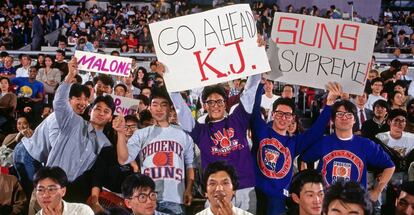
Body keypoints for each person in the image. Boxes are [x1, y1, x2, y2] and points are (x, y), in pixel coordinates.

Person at [13, 57, 113, 202]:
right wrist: (69, 77)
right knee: (34, 197)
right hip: (29, 154)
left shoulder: (101, 139)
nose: (82, 102)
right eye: (78, 98)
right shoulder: (67, 119)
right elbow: (56, 146)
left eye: (85, 99)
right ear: (69, 100)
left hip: (52, 173)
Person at [251, 81, 340, 215]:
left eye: (288, 115)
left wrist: (329, 105)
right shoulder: (261, 130)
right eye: (280, 113)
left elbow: (315, 132)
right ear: (273, 114)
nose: (283, 118)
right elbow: (253, 109)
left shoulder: (294, 142)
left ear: (292, 118)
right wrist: (259, 84)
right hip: (256, 193)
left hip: (279, 200)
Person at [115, 89, 195, 215]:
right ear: (150, 108)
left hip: (175, 198)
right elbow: (123, 159)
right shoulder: (141, 134)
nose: (159, 109)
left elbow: (190, 164)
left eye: (163, 105)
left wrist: (189, 189)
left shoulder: (183, 134)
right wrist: (120, 133)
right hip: (146, 198)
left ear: (170, 108)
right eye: (155, 104)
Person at [301, 100, 395, 202]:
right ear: (332, 119)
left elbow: (390, 166)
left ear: (355, 119)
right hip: (326, 203)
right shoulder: (323, 142)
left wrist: (377, 191)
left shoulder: (366, 144)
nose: (344, 118)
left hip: (355, 204)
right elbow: (304, 158)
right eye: (340, 114)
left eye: (349, 114)